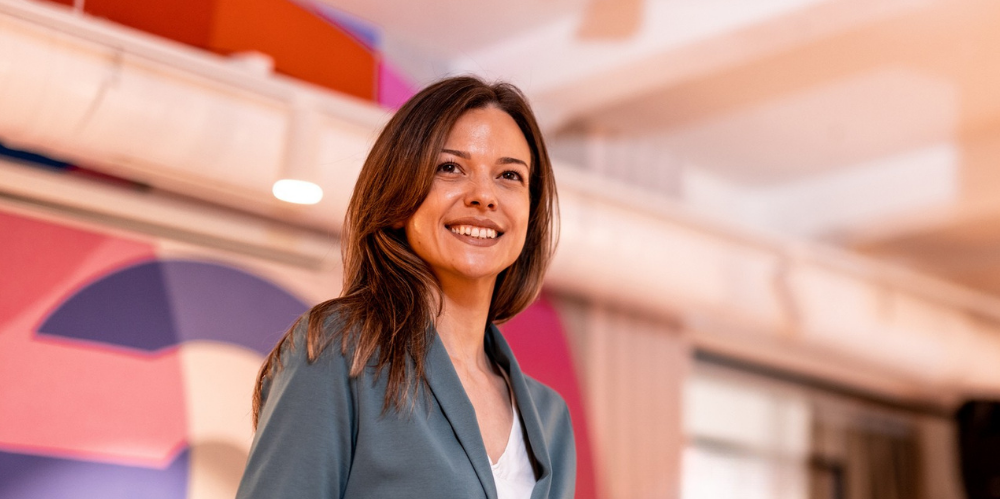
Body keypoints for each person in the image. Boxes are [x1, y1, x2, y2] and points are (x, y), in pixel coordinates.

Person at [236, 76, 575, 499]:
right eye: (450, 167)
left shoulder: (550, 420)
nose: (484, 196)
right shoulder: (341, 351)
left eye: (509, 175)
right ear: (400, 193)